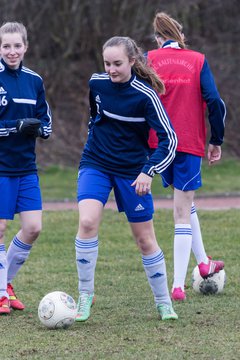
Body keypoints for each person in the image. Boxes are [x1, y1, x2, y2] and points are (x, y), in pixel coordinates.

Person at [75, 36, 178, 322]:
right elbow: (94, 118)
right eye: (107, 63)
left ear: (132, 61)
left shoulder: (145, 97)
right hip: (96, 162)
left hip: (133, 171)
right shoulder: (96, 83)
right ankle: (85, 295)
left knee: (145, 240)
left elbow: (169, 140)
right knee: (86, 222)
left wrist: (149, 170)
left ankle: (163, 301)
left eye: (117, 63)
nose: (111, 69)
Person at [146, 12, 226, 301]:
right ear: (181, 37)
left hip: (158, 144)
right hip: (188, 142)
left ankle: (204, 262)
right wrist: (216, 139)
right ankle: (178, 286)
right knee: (182, 210)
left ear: (158, 38)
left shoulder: (148, 58)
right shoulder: (198, 59)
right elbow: (215, 102)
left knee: (184, 203)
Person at [0, 22, 52, 314]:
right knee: (0, 228)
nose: (12, 51)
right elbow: (12, 127)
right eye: (6, 46)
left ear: (25, 47)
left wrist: (40, 130)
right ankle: (0, 295)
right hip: (1, 168)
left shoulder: (34, 80)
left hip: (26, 168)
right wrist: (15, 127)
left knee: (33, 228)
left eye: (17, 46)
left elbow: (46, 121)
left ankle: (5, 283)